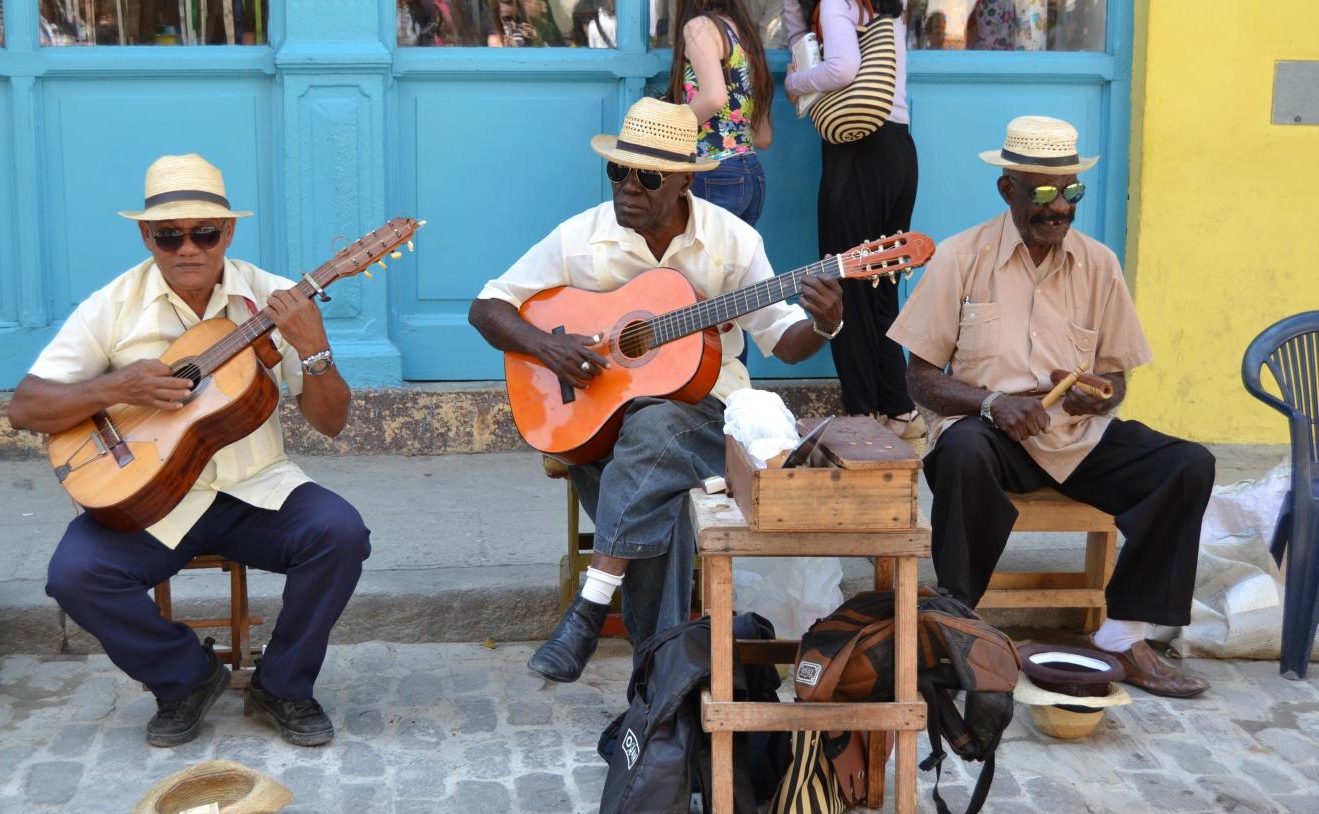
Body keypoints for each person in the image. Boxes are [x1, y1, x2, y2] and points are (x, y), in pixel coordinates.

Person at [469, 98, 844, 683]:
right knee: (658, 493)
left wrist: (822, 324)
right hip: (599, 427)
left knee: (658, 426)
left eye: (646, 177)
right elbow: (488, 306)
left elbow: (781, 337)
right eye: (618, 172)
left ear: (683, 183)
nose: (627, 189)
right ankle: (660, 685)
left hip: (705, 419)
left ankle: (594, 610)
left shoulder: (733, 241)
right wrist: (550, 349)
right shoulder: (580, 236)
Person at [7, 154, 372, 745]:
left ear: (228, 231)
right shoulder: (114, 305)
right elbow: (25, 406)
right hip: (153, 499)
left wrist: (315, 347)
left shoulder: (274, 300)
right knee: (74, 575)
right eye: (168, 235)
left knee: (341, 534)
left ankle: (283, 685)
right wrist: (119, 385)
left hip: (256, 489)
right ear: (145, 235)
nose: (188, 248)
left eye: (205, 232)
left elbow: (332, 423)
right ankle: (185, 678)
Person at [887, 116, 1214, 698]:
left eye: (1070, 191)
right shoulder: (962, 256)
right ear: (1006, 189)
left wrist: (1101, 393)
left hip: (1074, 438)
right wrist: (992, 403)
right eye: (1041, 192)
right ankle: (960, 626)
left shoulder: (1100, 264)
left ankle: (1120, 636)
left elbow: (1115, 375)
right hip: (992, 435)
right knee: (960, 452)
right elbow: (920, 379)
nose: (1058, 206)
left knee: (1188, 464)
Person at [783, 0, 922, 440]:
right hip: (898, 150)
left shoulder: (834, 3)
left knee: (843, 286)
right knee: (881, 287)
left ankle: (864, 416)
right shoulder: (885, 6)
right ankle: (899, 410)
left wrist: (795, 80)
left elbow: (842, 69)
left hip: (857, 155)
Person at [667, 0, 773, 226]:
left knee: (701, 260)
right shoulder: (746, 35)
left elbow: (714, 97)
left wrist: (665, 129)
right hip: (753, 174)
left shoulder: (700, 27)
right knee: (733, 261)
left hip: (714, 171)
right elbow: (763, 138)